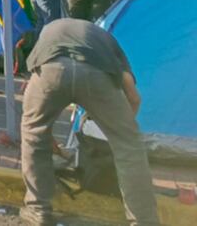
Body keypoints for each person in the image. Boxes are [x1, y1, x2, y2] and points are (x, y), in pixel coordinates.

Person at [20, 18, 159, 226]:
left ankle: (37, 210)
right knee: (129, 148)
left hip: (51, 68)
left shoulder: (48, 32)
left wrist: (45, 136)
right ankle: (144, 221)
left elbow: (35, 111)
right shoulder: (107, 42)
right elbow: (133, 97)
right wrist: (120, 129)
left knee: (33, 132)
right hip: (97, 75)